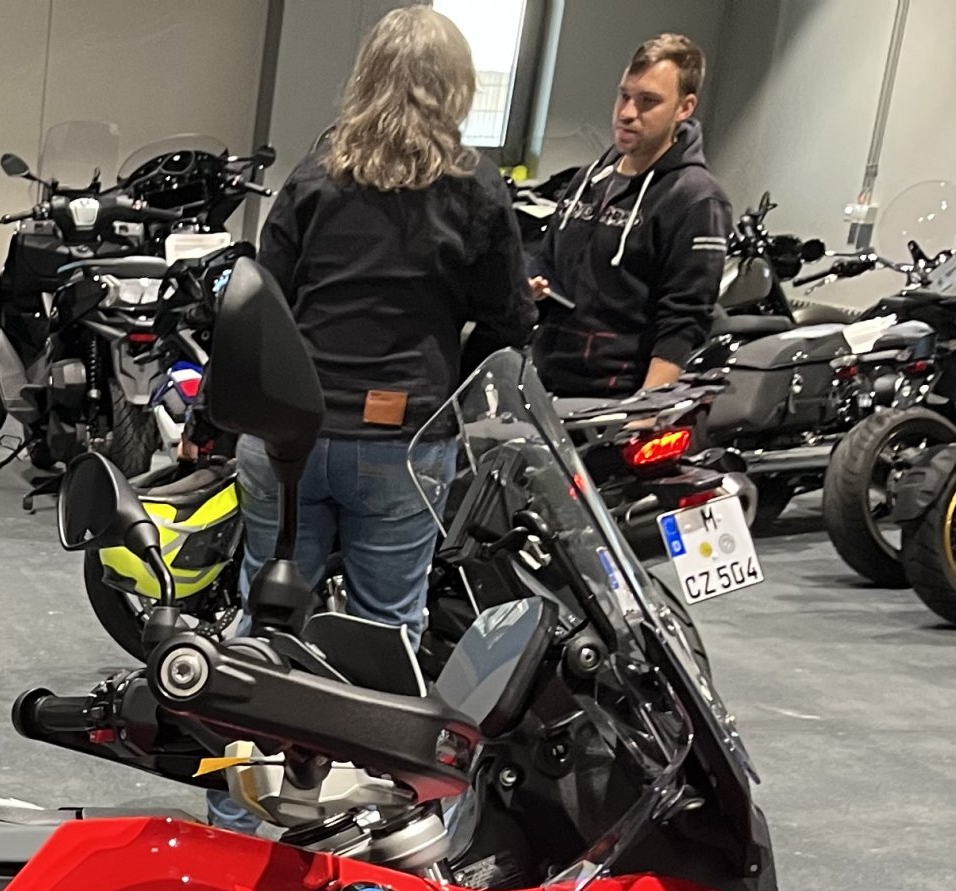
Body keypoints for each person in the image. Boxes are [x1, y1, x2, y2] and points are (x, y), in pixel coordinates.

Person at [193, 6, 532, 637]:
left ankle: (256, 699)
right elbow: (509, 322)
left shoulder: (313, 177)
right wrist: (446, 389)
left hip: (289, 435)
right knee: (386, 631)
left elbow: (257, 309)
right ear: (458, 87)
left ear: (367, 77)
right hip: (402, 438)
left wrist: (207, 419)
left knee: (269, 621)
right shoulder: (478, 188)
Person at [531, 33, 732, 394]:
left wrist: (645, 411)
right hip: (548, 385)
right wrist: (535, 287)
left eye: (647, 102)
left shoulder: (696, 199)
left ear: (684, 108)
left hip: (618, 398)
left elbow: (683, 322)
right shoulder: (588, 180)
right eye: (624, 96)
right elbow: (547, 262)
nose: (627, 113)